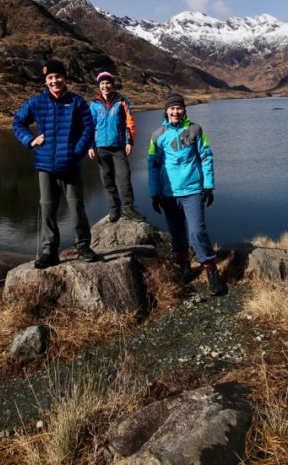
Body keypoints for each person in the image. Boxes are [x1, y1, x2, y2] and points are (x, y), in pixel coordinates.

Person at [13, 59, 99, 268]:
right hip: (45, 165)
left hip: (70, 165)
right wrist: (30, 140)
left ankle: (83, 246)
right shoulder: (36, 102)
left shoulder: (77, 102)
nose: (54, 81)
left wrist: (77, 152)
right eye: (50, 78)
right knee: (48, 209)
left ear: (65, 79)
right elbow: (18, 122)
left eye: (58, 77)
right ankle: (49, 251)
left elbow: (89, 128)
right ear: (46, 81)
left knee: (76, 206)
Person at [147, 92, 227, 296]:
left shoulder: (196, 130)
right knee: (177, 233)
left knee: (196, 232)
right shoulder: (157, 136)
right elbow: (153, 165)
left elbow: (206, 156)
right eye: (171, 108)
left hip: (192, 190)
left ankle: (211, 270)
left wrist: (208, 186)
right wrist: (155, 193)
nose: (175, 111)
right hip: (169, 193)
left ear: (184, 110)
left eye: (178, 108)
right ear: (166, 111)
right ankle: (184, 268)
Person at [88, 71, 144, 223]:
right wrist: (90, 146)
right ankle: (114, 209)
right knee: (107, 180)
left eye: (108, 83)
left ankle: (128, 208)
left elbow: (129, 123)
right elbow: (90, 126)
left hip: (118, 147)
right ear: (99, 86)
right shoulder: (94, 104)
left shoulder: (122, 101)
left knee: (124, 177)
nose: (105, 86)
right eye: (102, 84)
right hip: (100, 148)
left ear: (112, 85)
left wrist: (129, 142)